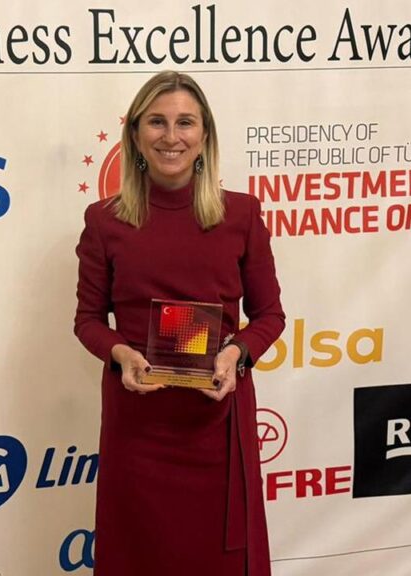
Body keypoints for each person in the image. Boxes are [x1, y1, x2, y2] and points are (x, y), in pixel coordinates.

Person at [74, 71, 285, 575]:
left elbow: (270, 316)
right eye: (157, 122)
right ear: (135, 134)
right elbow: (88, 320)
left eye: (185, 122)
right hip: (139, 425)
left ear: (205, 134)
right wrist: (120, 353)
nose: (172, 136)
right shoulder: (104, 220)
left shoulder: (241, 214)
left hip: (216, 419)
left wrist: (235, 354)